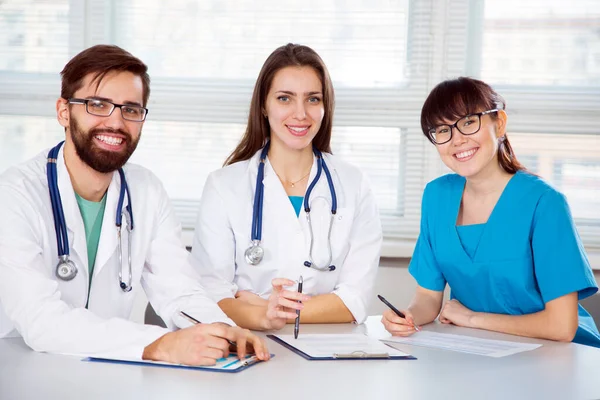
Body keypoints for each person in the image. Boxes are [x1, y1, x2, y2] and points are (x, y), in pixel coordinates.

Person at [0, 44, 270, 364]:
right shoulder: (15, 194)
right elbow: (41, 321)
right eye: (98, 104)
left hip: (110, 371)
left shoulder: (146, 191)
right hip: (21, 368)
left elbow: (179, 291)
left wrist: (223, 330)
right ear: (63, 111)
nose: (116, 123)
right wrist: (160, 344)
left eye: (130, 109)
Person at [382, 77, 600, 347]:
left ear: (499, 123)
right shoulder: (437, 197)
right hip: (484, 349)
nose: (457, 140)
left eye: (469, 122)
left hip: (563, 358)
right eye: (442, 130)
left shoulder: (544, 203)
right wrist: (408, 316)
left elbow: (562, 326)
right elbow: (428, 298)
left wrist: (473, 319)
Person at [189, 43, 382, 330]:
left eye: (313, 99)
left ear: (325, 107)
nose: (301, 114)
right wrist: (264, 316)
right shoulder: (223, 186)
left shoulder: (354, 185)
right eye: (284, 98)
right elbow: (212, 294)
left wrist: (268, 306)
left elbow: (355, 300)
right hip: (250, 345)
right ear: (264, 107)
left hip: (329, 352)